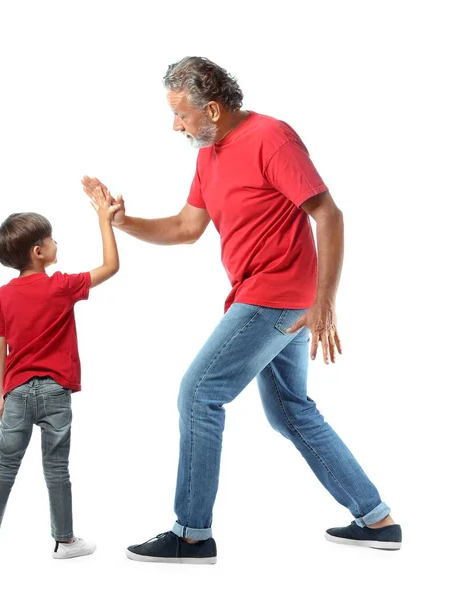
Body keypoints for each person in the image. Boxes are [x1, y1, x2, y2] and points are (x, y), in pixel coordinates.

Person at [82, 56, 402, 565]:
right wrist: (123, 222)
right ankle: (377, 519)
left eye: (181, 116)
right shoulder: (208, 155)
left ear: (211, 108)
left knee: (200, 392)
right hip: (268, 297)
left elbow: (328, 214)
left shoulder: (271, 138)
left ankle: (191, 535)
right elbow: (187, 229)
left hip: (275, 295)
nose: (175, 126)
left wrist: (325, 301)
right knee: (290, 411)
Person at [0, 187, 120, 559]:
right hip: (56, 393)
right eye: (51, 239)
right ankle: (66, 542)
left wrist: (3, 393)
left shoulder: (3, 295)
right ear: (39, 252)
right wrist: (105, 221)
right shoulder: (62, 286)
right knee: (58, 470)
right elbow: (110, 267)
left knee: (4, 466)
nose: (56, 242)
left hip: (18, 392)